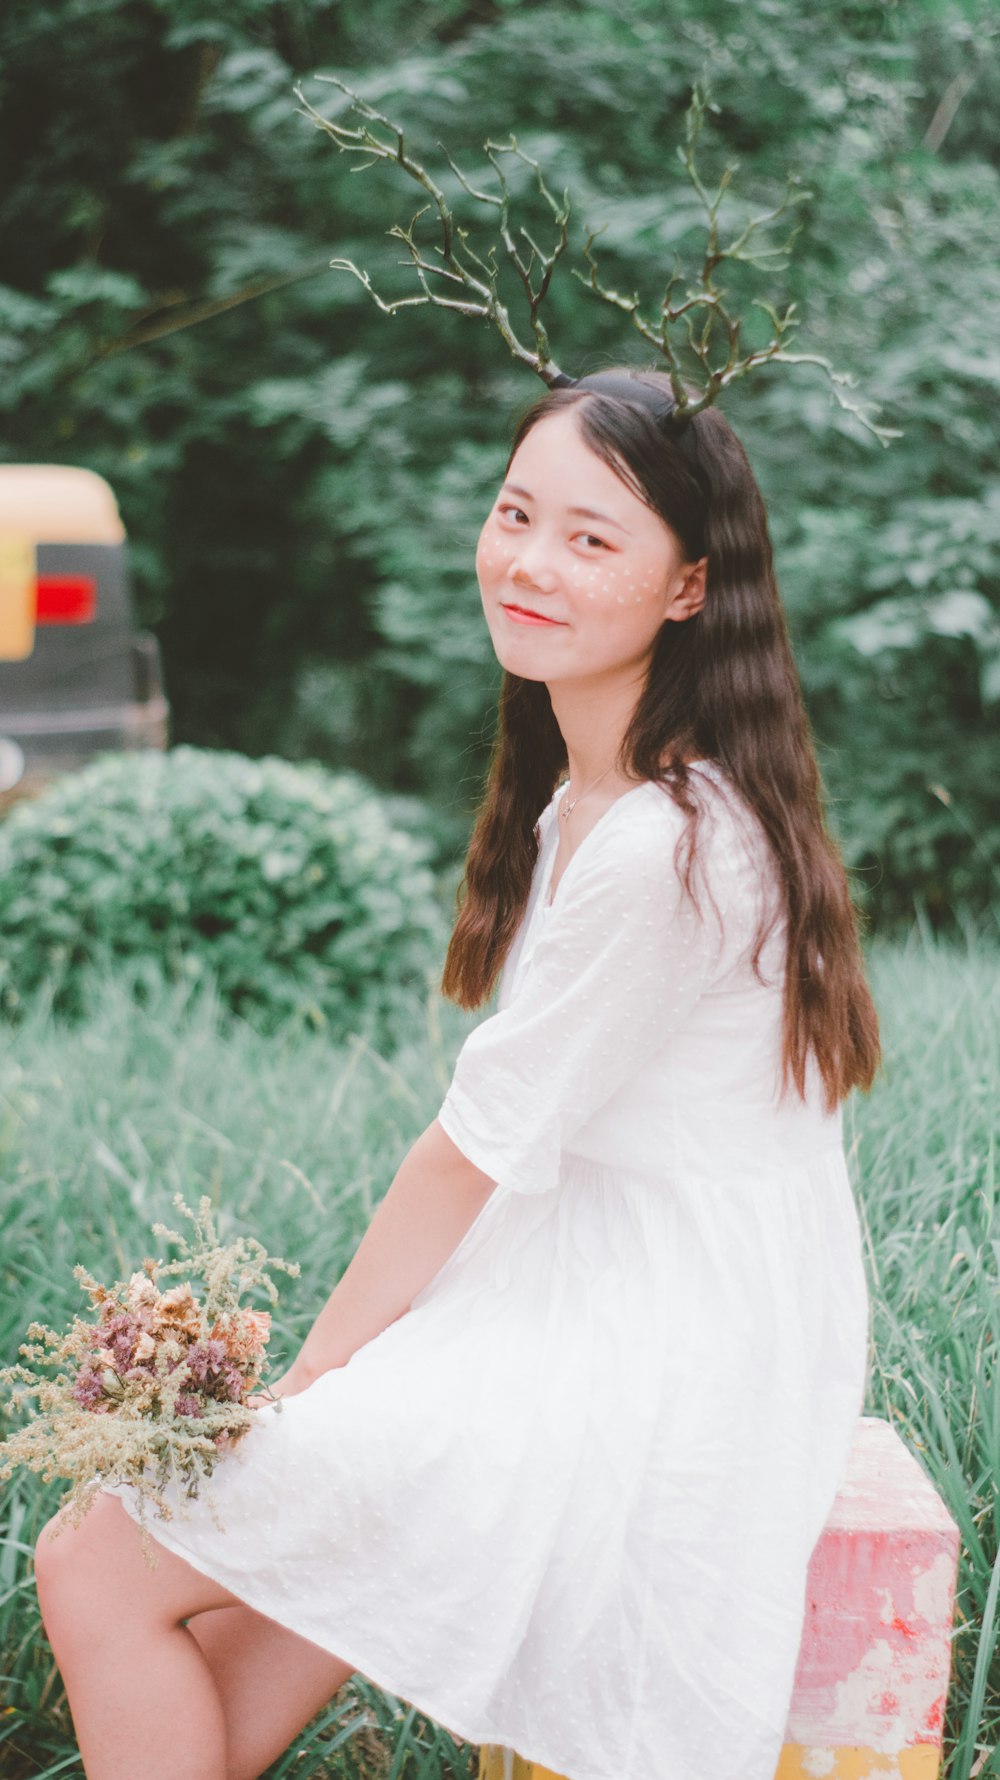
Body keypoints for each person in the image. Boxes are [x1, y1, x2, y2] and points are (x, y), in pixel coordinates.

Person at [33, 367, 880, 1780]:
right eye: (515, 513)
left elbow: (463, 1152)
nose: (530, 563)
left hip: (648, 1351)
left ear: (689, 589)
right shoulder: (606, 798)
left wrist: (298, 1398)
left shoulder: (663, 842)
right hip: (584, 1301)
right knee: (214, 1681)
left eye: (592, 538)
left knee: (91, 1559)